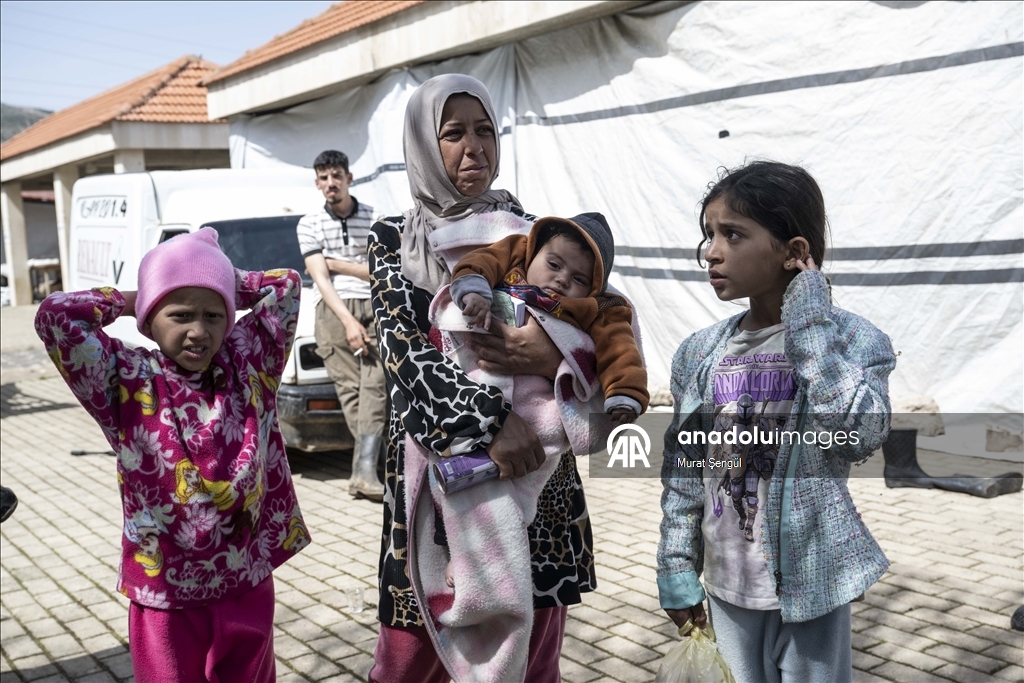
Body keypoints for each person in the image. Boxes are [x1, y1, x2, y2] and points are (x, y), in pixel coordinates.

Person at [367, 74, 598, 683]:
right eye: (452, 133)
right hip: (435, 466)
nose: (474, 147)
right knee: (413, 654)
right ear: (424, 144)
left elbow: (590, 327)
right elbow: (404, 354)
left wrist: (545, 357)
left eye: (484, 131)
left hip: (536, 470)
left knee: (532, 653)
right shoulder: (394, 237)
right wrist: (493, 422)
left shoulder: (533, 233)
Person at [35, 228, 310, 683]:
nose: (199, 331)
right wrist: (138, 297)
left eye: (213, 315)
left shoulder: (249, 362)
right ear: (150, 318)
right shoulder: (122, 378)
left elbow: (286, 285)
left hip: (246, 580)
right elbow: (55, 316)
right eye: (180, 314)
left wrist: (216, 277)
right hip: (165, 595)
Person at [657, 161, 895, 683]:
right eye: (709, 235)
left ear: (793, 250)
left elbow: (860, 435)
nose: (712, 252)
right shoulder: (699, 353)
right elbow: (683, 470)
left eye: (733, 234)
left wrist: (809, 322)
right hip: (727, 588)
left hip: (813, 587)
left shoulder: (853, 341)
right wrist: (675, 563)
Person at [450, 212, 649, 424]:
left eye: (579, 279)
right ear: (533, 252)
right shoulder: (516, 256)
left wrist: (624, 392)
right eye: (554, 265)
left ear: (594, 288)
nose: (562, 279)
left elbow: (619, 348)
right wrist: (475, 291)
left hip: (538, 406)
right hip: (472, 384)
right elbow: (483, 260)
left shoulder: (598, 308)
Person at [296, 150, 387, 501]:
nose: (330, 183)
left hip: (375, 304)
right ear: (317, 183)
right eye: (324, 177)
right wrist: (348, 321)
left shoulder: (376, 217)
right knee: (351, 392)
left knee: (375, 386)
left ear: (349, 178)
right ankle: (368, 471)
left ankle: (364, 473)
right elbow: (320, 279)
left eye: (336, 175)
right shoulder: (309, 224)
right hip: (333, 311)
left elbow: (382, 270)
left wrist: (336, 263)